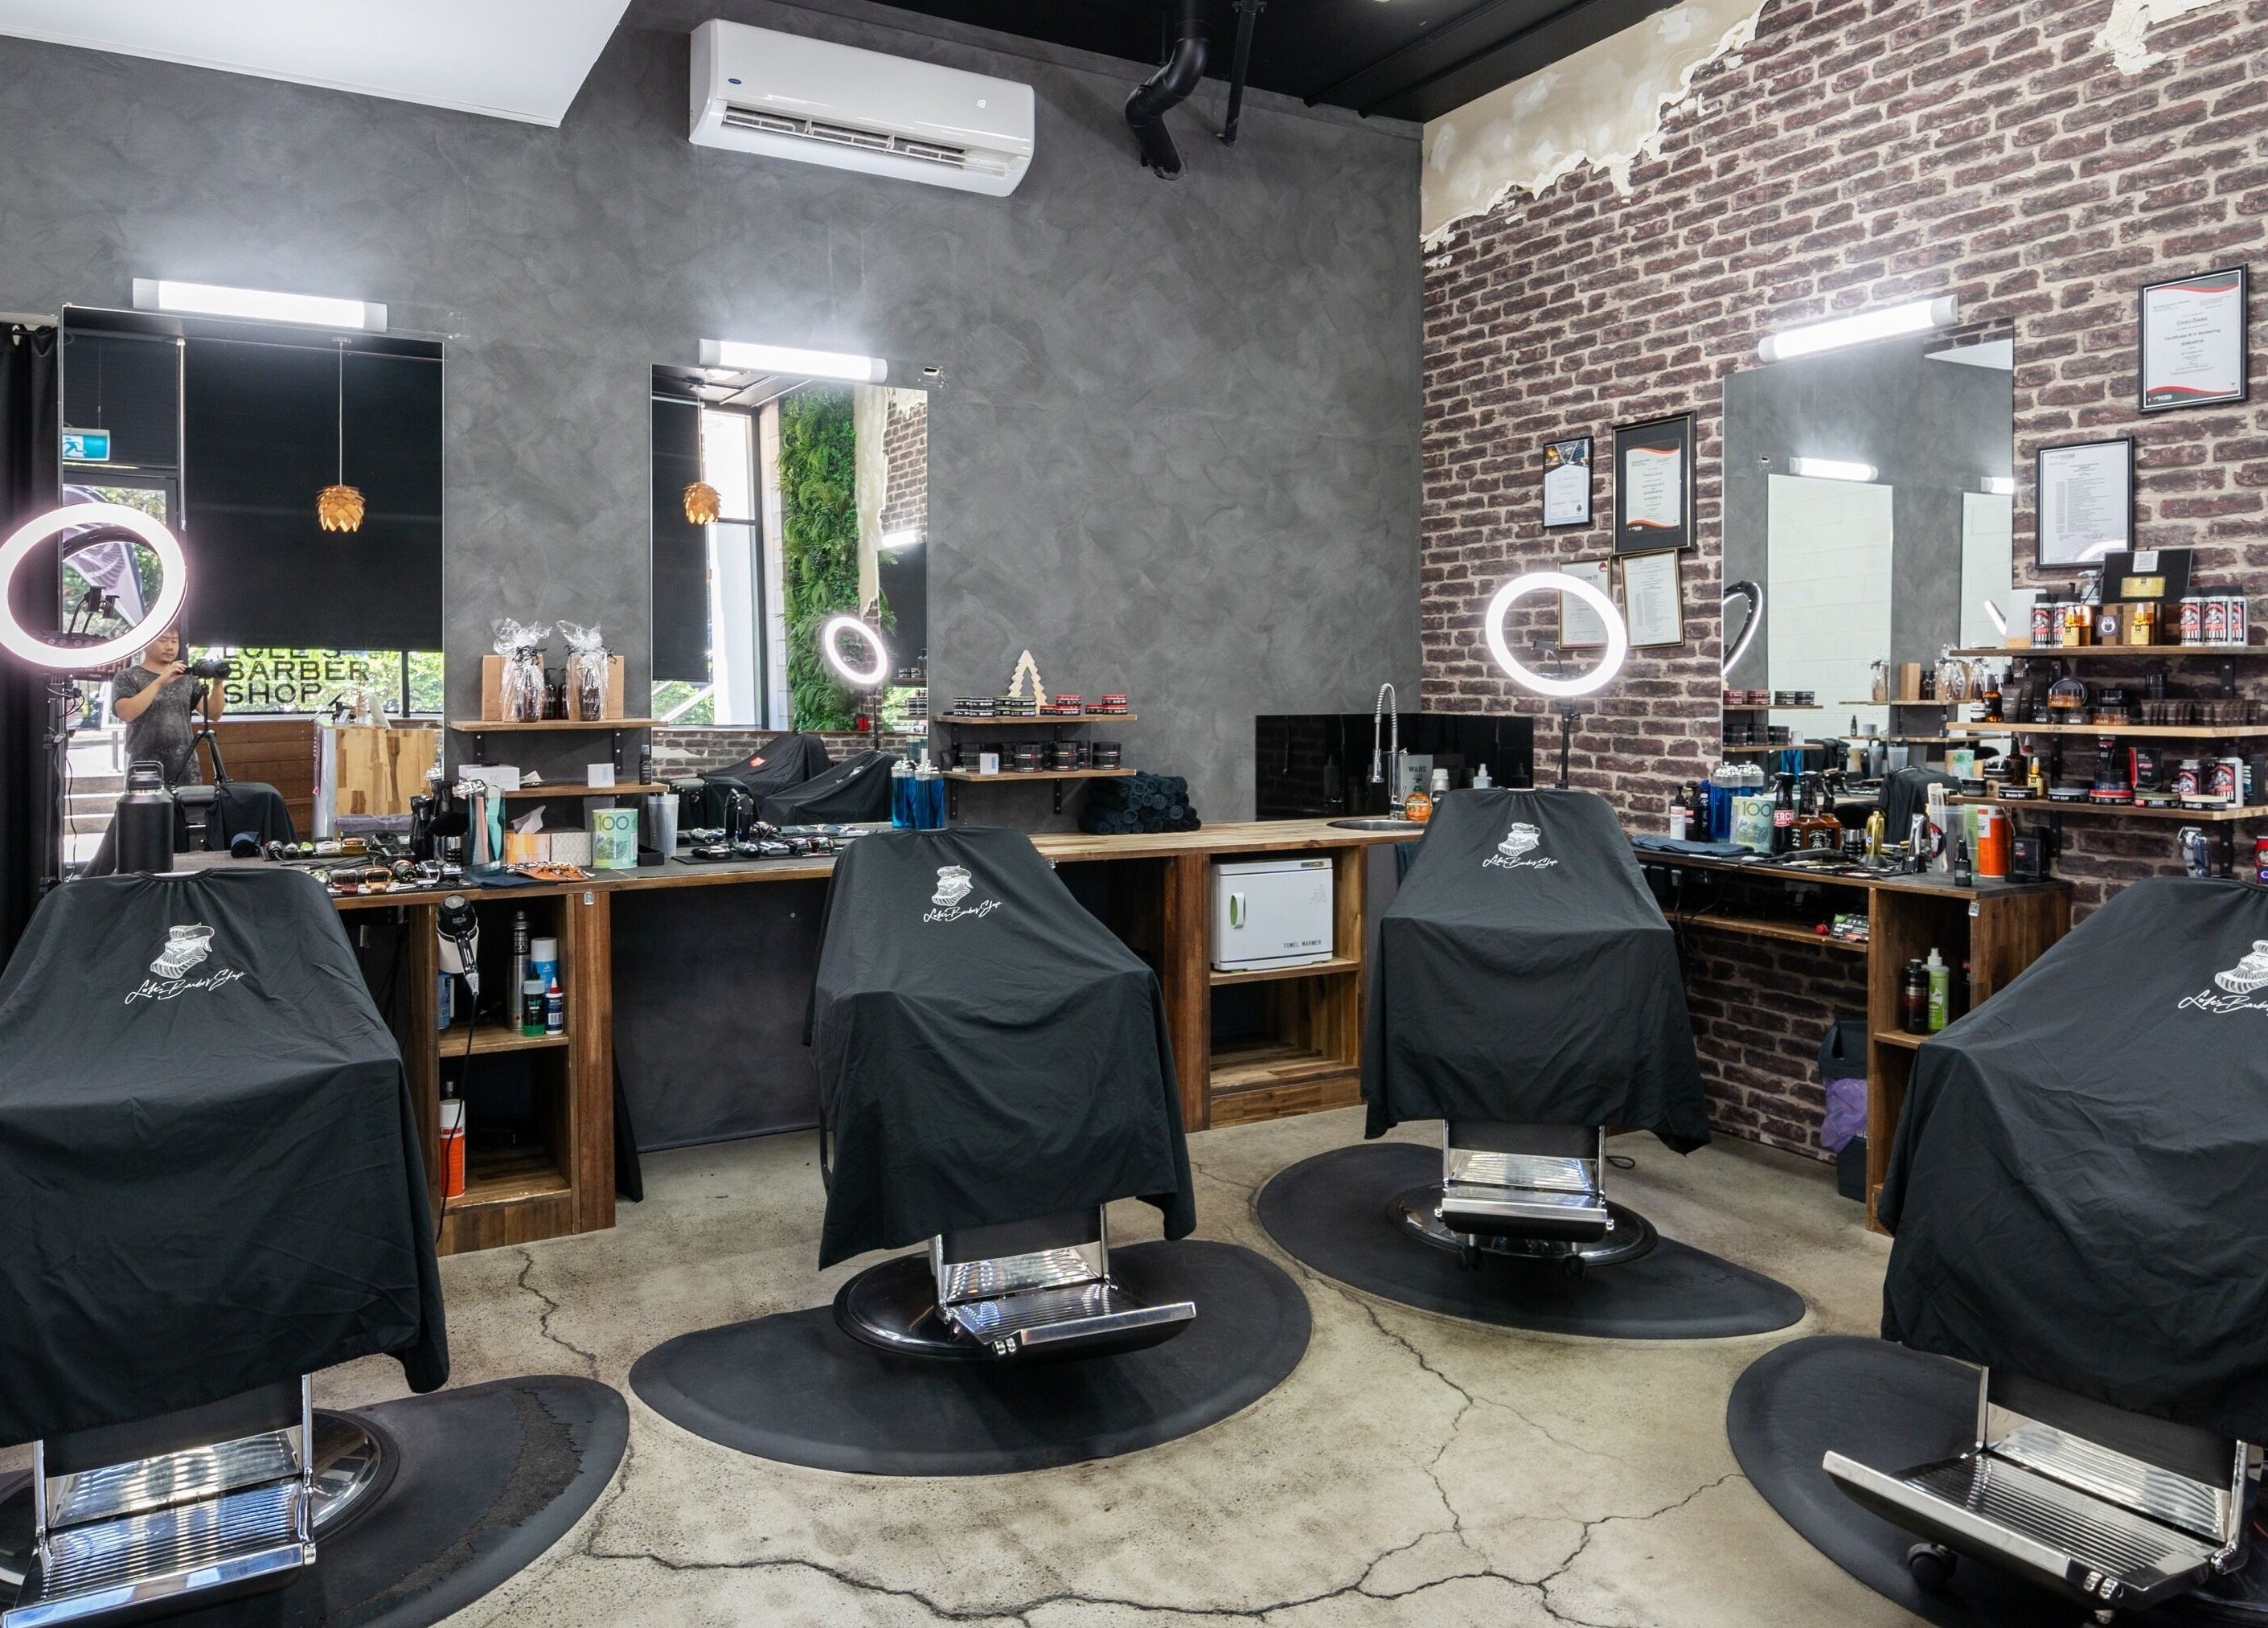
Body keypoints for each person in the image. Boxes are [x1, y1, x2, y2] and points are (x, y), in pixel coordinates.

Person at [109, 626, 224, 788]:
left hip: (186, 767)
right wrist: (159, 682)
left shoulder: (186, 678)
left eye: (174, 641)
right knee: (147, 813)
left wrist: (218, 683)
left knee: (191, 812)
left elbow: (214, 714)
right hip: (145, 767)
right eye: (163, 641)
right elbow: (126, 713)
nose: (170, 646)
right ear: (146, 643)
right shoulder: (127, 677)